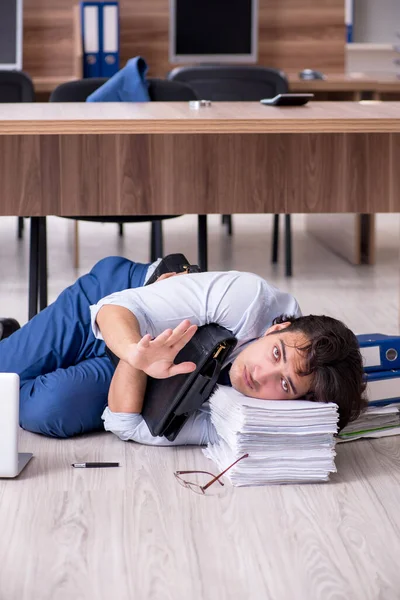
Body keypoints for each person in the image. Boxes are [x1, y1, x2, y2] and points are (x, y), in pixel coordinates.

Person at [0, 256, 366, 445]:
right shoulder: (247, 299)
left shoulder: (256, 417)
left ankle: (21, 341)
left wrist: (136, 366)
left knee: (42, 411)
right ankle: (11, 342)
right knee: (4, 372)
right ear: (278, 327)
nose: (262, 376)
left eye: (284, 385)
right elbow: (114, 308)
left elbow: (127, 426)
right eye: (275, 354)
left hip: (146, 371)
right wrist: (136, 352)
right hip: (116, 304)